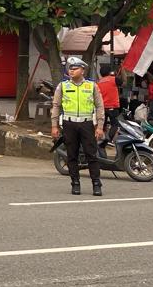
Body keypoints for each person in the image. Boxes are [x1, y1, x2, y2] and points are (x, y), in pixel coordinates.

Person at [51, 57, 106, 196]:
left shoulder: (91, 86)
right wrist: (54, 126)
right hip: (69, 124)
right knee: (72, 155)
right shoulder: (63, 86)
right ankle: (75, 183)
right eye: (70, 69)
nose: (71, 71)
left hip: (87, 124)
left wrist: (100, 126)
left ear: (83, 70)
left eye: (75, 69)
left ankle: (96, 184)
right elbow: (56, 106)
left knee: (91, 155)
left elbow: (99, 106)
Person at [97, 65, 121, 141]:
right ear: (109, 72)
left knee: (102, 125)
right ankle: (108, 140)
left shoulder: (99, 82)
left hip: (102, 107)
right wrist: (122, 70)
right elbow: (124, 82)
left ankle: (101, 141)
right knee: (115, 125)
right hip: (112, 107)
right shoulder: (113, 79)